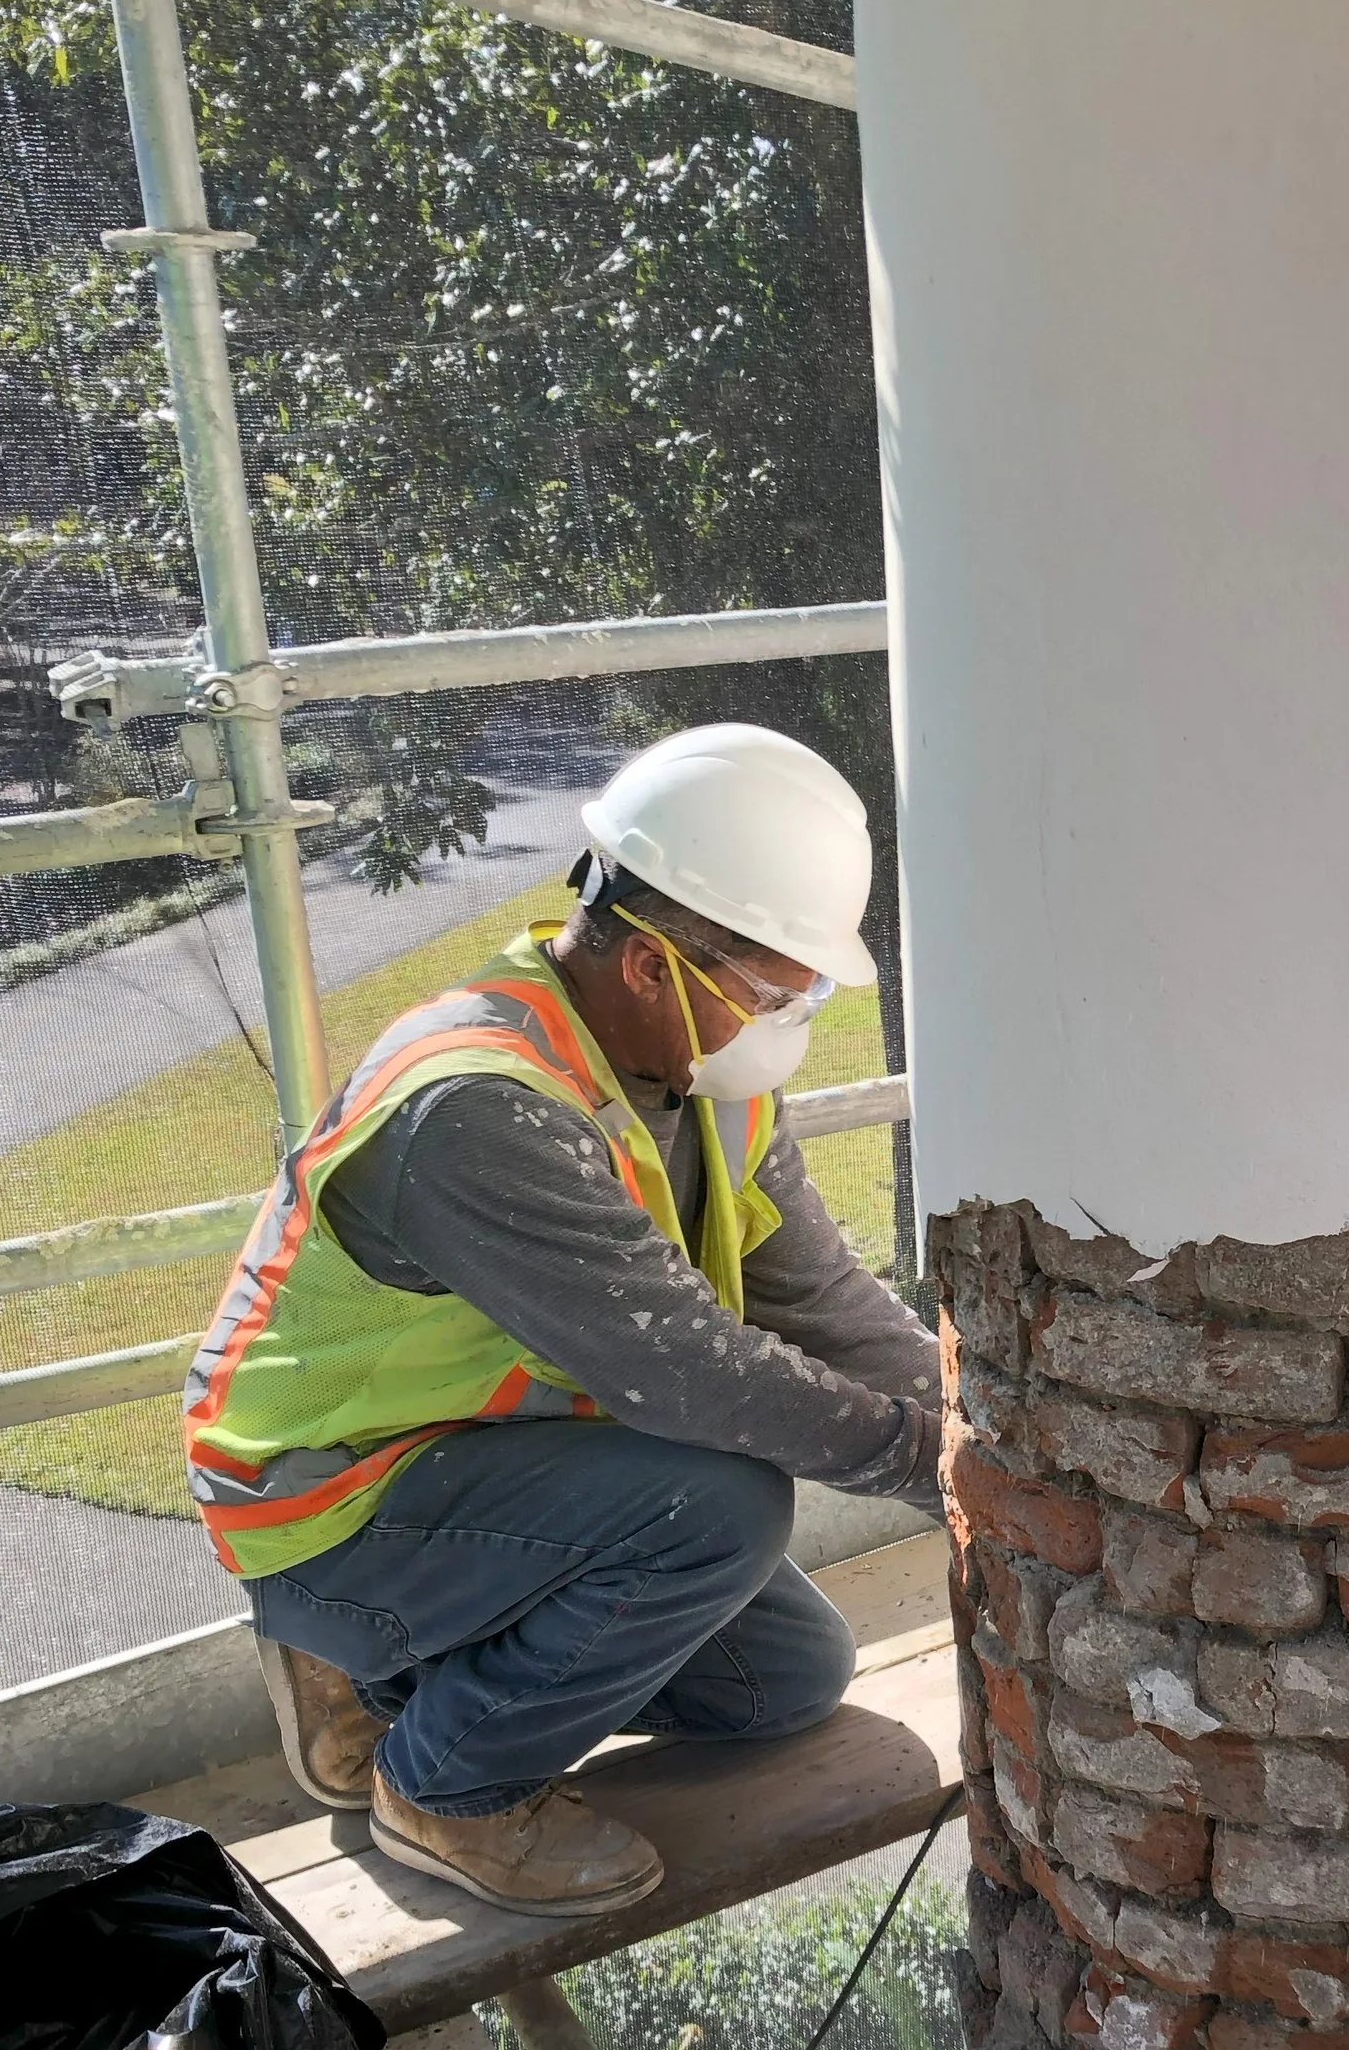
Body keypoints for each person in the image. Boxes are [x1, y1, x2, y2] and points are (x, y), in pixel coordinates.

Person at [183, 723, 942, 1918]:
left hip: (501, 1480)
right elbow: (694, 1382)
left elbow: (820, 1300)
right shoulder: (482, 1107)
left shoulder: (706, 1081)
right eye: (773, 989)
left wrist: (980, 1444)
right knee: (721, 1504)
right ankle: (448, 1788)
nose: (790, 1021)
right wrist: (930, 1465)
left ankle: (384, 1679)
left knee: (785, 1681)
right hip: (333, 1499)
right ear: (648, 964)